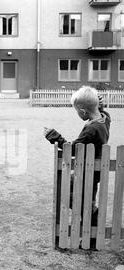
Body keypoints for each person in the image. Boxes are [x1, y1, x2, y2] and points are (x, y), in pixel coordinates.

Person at [44, 86, 111, 249]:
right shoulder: (104, 118)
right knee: (82, 196)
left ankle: (92, 234)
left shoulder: (91, 129)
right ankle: (91, 229)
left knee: (82, 202)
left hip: (87, 173)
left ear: (83, 112)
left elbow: (73, 149)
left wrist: (55, 137)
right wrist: (99, 105)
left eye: (77, 112)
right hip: (92, 171)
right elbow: (104, 111)